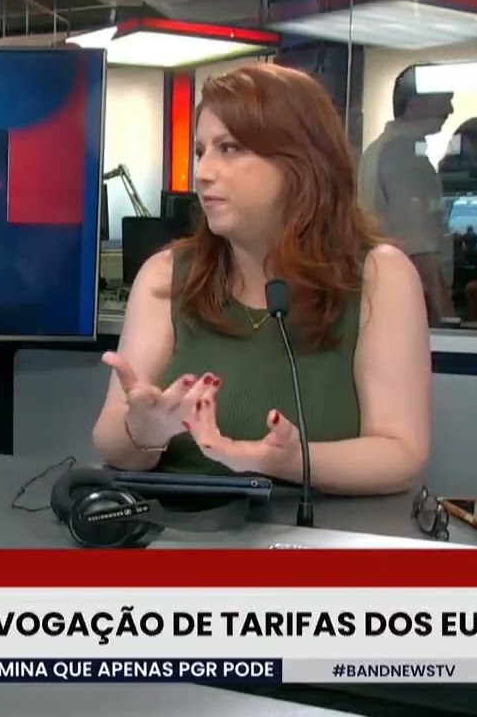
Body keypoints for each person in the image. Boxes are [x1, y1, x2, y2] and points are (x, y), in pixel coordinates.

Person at [92, 63, 431, 496]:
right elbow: (111, 442)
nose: (203, 172)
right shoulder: (166, 274)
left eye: (229, 148)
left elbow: (402, 453)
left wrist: (287, 461)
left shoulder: (381, 276)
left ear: (301, 162)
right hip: (176, 527)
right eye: (201, 151)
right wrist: (143, 431)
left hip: (318, 530)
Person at [357, 63, 456, 327]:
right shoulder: (405, 156)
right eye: (445, 99)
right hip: (415, 307)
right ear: (417, 102)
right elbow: (422, 253)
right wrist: (449, 320)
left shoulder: (379, 150)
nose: (450, 110)